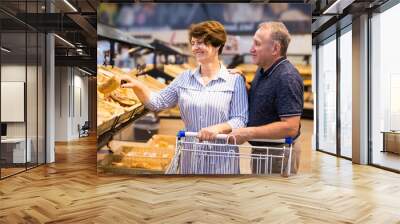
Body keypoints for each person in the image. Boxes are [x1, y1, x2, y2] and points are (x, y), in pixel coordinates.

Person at [120, 20, 248, 174]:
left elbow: (240, 120)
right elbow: (157, 102)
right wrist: (138, 85)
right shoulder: (184, 78)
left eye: (201, 43)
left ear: (217, 45)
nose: (195, 48)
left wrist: (218, 128)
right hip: (191, 158)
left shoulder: (234, 80)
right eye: (193, 43)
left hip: (222, 158)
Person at [229, 22, 304, 175]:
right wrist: (243, 84)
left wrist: (247, 132)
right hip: (264, 150)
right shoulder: (264, 68)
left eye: (257, 44)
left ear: (275, 49)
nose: (251, 49)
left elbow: (290, 127)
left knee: (275, 197)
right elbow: (262, 99)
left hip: (278, 153)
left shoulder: (286, 77)